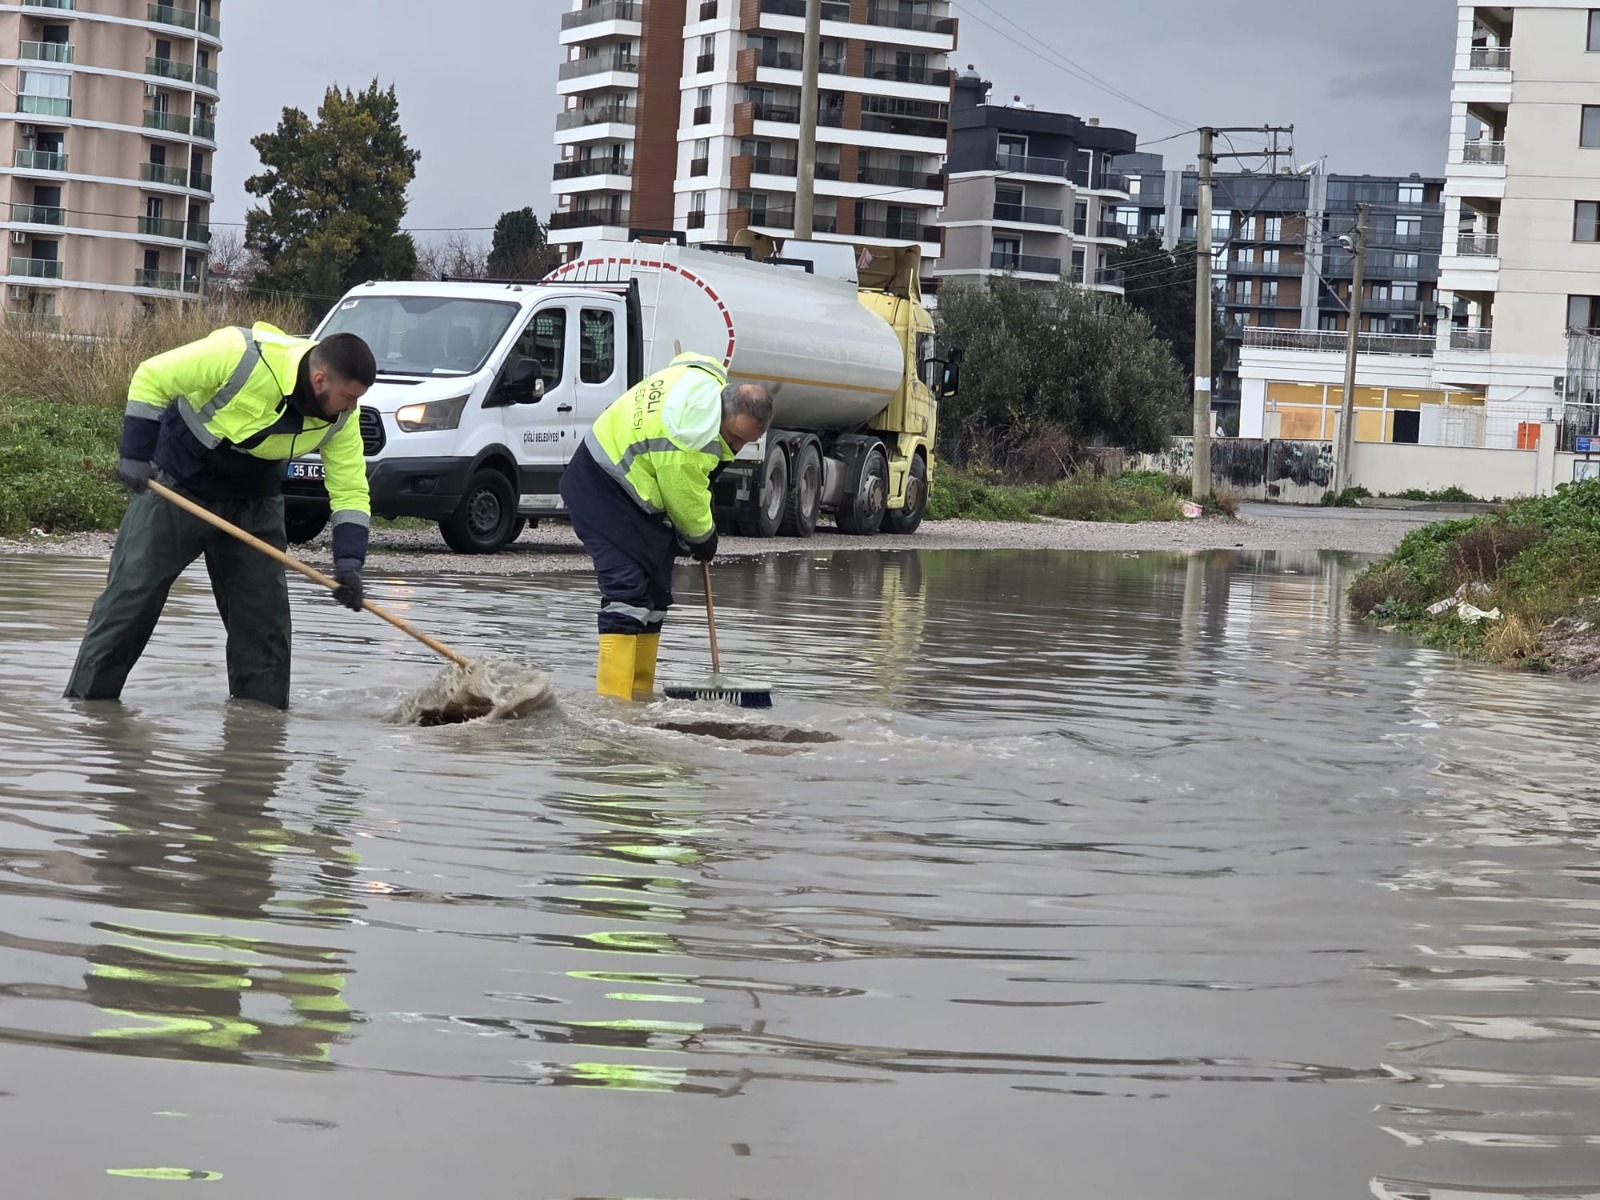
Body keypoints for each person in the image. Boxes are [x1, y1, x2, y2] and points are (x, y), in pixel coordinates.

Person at [64, 322, 378, 710]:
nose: (351, 406)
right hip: (179, 484)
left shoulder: (344, 417)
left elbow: (350, 487)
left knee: (264, 623)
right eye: (347, 397)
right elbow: (151, 376)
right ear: (319, 379)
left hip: (255, 499)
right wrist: (135, 453)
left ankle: (259, 731)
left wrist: (349, 563)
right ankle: (86, 710)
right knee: (131, 599)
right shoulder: (239, 354)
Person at [560, 351, 773, 700]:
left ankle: (640, 698)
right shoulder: (690, 438)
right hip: (601, 486)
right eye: (734, 438)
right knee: (627, 593)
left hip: (639, 490)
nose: (734, 448)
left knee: (656, 596)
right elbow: (686, 506)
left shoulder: (707, 385)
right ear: (724, 410)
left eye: (744, 444)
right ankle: (615, 708)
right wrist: (705, 540)